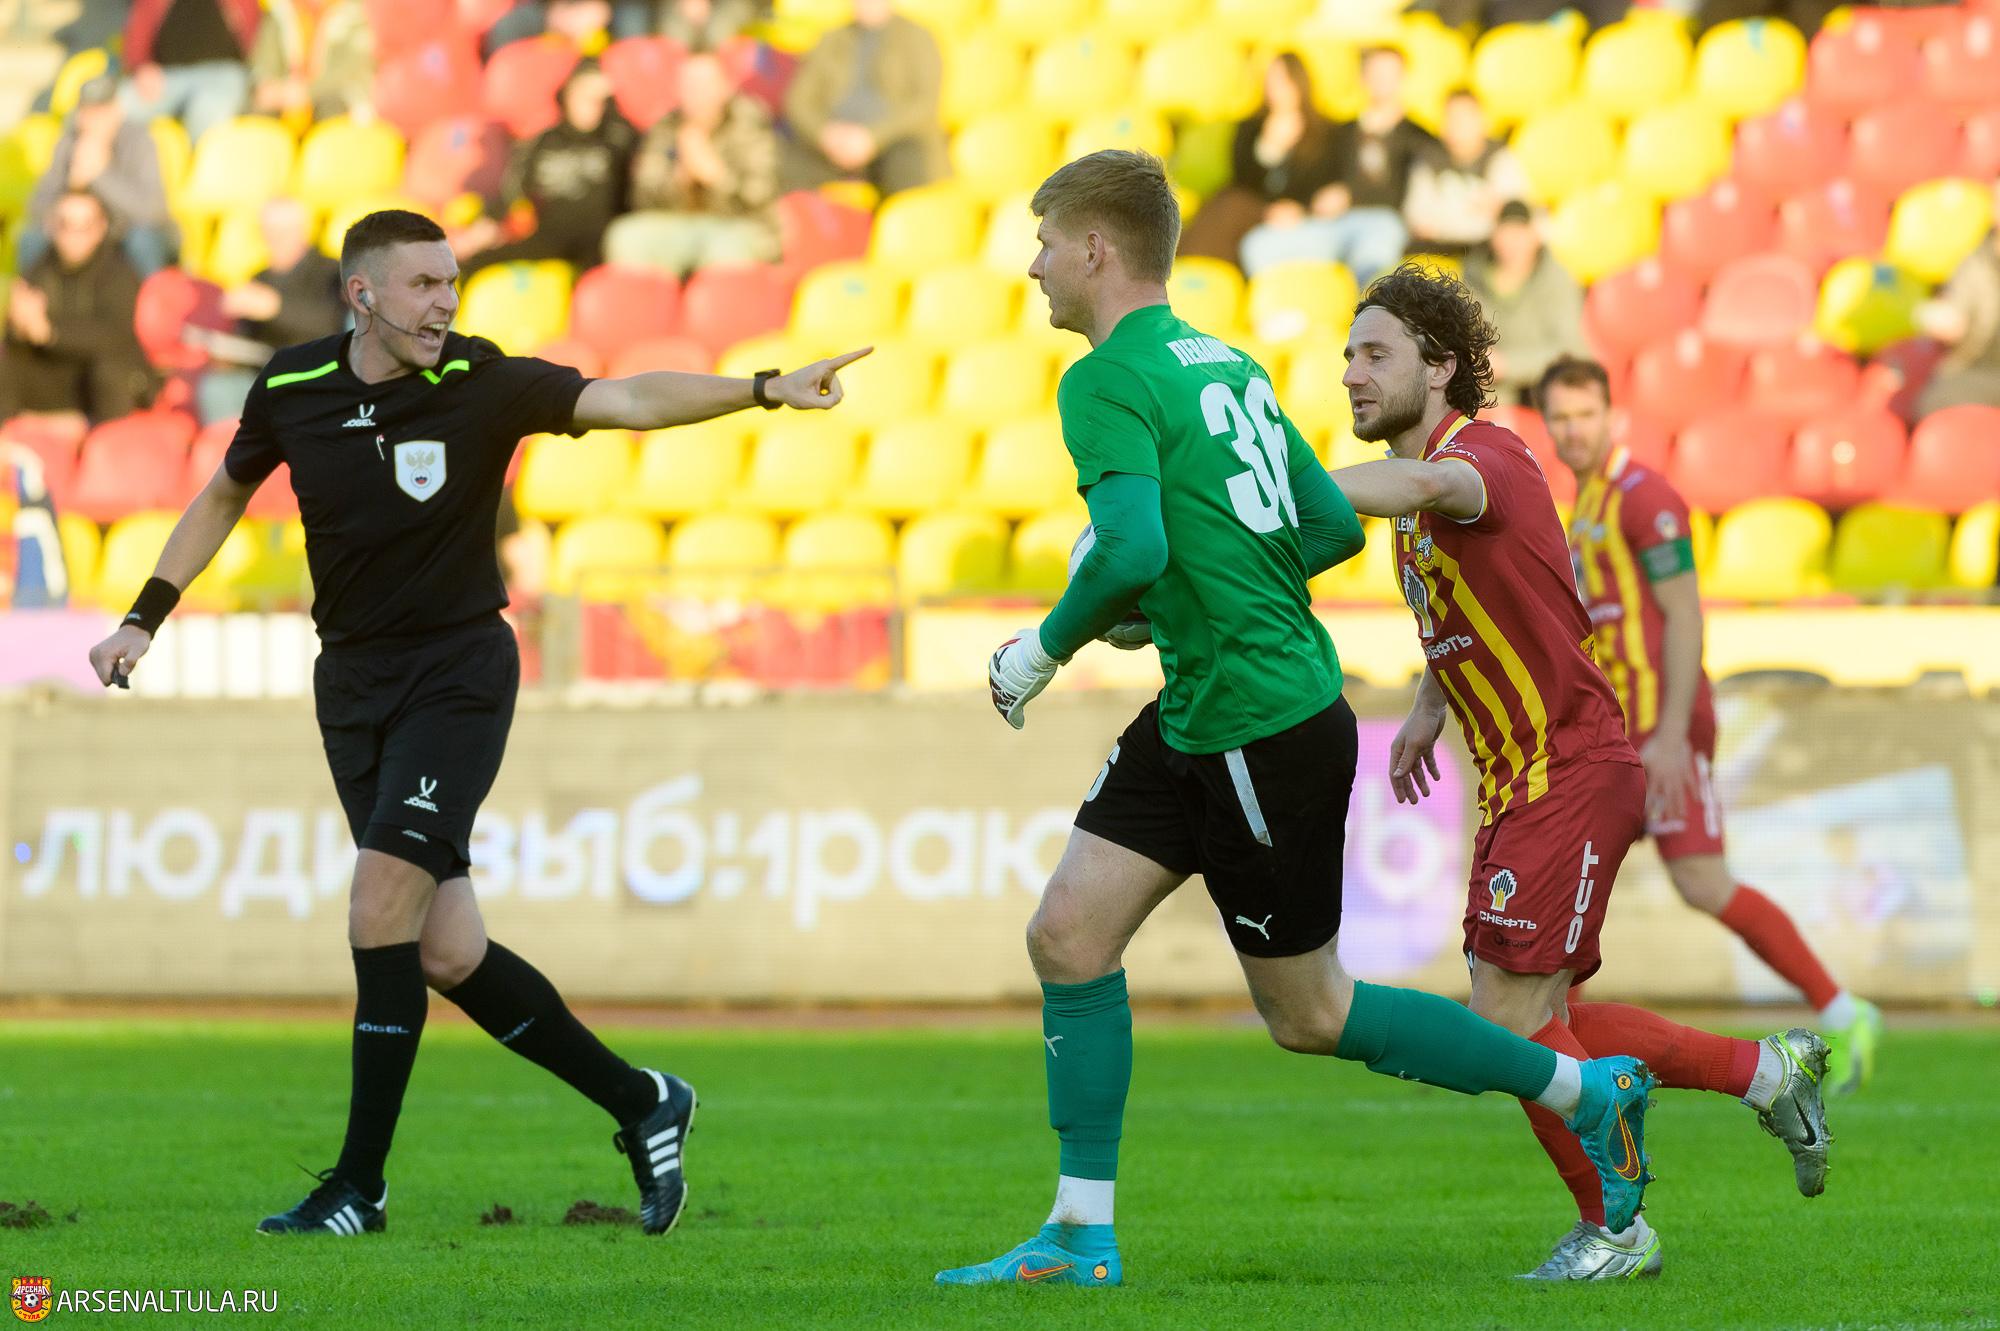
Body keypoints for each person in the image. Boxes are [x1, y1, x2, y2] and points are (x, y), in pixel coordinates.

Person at [940, 149, 1656, 1290]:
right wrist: (1189, 595)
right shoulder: (1225, 362)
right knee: (1066, 934)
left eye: (1045, 244)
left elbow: (1128, 548)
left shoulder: (1103, 380)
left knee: (1309, 1013)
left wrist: (1042, 648)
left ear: (1095, 249)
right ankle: (1078, 1232)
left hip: (1255, 720)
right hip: (1201, 702)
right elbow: (1322, 526)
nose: (1034, 268)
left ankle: (1583, 1087)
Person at [86, 208, 870, 1238]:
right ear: (362, 294)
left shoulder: (479, 378)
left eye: (451, 283)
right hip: (350, 684)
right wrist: (143, 616)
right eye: (423, 284)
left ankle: (358, 1187)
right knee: (447, 950)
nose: (444, 302)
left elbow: (628, 399)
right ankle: (644, 1100)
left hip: (455, 674)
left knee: (379, 907)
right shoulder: (292, 385)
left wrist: (763, 388)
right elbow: (223, 497)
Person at [1328, 265, 1832, 1280]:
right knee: (1542, 1017)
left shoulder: (1483, 455)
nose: (1351, 373)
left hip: (1566, 766)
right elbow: (1480, 603)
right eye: (1347, 355)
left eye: (1375, 353)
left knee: (1507, 1024)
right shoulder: (1422, 501)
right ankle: (1764, 1070)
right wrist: (1431, 703)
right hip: (1520, 781)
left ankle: (1617, 1228)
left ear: (1440, 367)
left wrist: (1267, 489)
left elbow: (1427, 488)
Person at [1542, 354, 1883, 1091]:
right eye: (1560, 418)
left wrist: (1669, 736)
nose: (1573, 431)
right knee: (1575, 875)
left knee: (1698, 879)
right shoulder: (1588, 505)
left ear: (1612, 416)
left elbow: (1685, 613)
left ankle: (1843, 1008)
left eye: (1585, 415)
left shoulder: (1644, 498)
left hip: (1659, 728)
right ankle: (1559, 1038)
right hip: (1616, 734)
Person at [1240, 46, 1433, 284]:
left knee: (1377, 250)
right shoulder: (1339, 133)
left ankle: (1371, 303)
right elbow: (1307, 179)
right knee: (1259, 245)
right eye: (1375, 73)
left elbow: (1412, 196)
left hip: (1382, 223)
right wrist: (1303, 206)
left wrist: (1351, 195)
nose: (1382, 81)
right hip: (1329, 225)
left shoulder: (1421, 139)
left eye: (1389, 74)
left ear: (1403, 78)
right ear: (1362, 77)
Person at [457, 61, 638, 278]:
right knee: (472, 264)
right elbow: (513, 193)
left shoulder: (618, 137)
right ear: (568, 95)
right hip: (552, 231)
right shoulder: (543, 142)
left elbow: (638, 182)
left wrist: (613, 107)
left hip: (600, 233)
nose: (592, 105)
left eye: (600, 99)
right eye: (584, 96)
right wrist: (485, 227)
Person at [0, 189, 155, 428]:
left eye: (84, 226)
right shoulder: (41, 267)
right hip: (60, 375)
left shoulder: (120, 271)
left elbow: (114, 336)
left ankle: (95, 434)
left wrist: (50, 332)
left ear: (101, 228)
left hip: (102, 382)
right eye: (65, 224)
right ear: (52, 226)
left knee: (109, 369)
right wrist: (20, 326)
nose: (73, 234)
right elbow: (24, 329)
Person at [1177, 54, 1347, 268]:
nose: (1275, 89)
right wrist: (1269, 147)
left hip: (1300, 213)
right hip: (1256, 206)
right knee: (1228, 205)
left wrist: (1300, 208)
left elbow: (1325, 183)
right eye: (1270, 81)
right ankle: (1193, 268)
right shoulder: (1250, 128)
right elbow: (1243, 179)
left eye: (1283, 80)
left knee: (1230, 209)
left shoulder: (1326, 133)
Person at [619, 52, 781, 275]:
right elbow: (642, 198)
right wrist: (680, 178)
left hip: (738, 225)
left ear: (725, 87)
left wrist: (715, 175)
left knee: (726, 248)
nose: (697, 94)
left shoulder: (751, 126)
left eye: (705, 85)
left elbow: (760, 197)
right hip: (681, 225)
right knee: (626, 237)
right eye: (689, 85)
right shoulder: (665, 129)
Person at [198, 197, 347, 424]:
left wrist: (275, 307)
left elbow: (335, 323)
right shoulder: (259, 278)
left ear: (304, 231)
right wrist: (223, 353)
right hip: (266, 374)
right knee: (218, 388)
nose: (275, 239)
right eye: (270, 231)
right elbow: (246, 343)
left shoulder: (333, 272)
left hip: (320, 373)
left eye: (284, 231)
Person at [780, 0, 946, 200]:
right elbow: (799, 101)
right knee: (783, 163)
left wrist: (872, 137)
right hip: (834, 141)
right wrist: (824, 134)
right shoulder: (831, 39)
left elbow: (924, 103)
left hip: (892, 141)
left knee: (907, 167)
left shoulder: (917, 37)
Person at [21, 74, 177, 277]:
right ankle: (31, 294)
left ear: (116, 110)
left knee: (142, 238)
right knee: (33, 237)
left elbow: (153, 211)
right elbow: (37, 205)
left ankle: (149, 297)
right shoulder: (68, 143)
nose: (94, 120)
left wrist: (100, 175)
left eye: (101, 111)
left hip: (125, 230)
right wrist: (72, 187)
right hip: (82, 232)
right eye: (88, 112)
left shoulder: (140, 140)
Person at [1463, 200, 1583, 404]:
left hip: (1545, 387)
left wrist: (1508, 365)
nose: (1512, 244)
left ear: (1534, 237)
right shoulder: (1473, 275)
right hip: (1492, 390)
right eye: (1506, 234)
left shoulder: (1558, 279)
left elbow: (1570, 350)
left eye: (1519, 235)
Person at [1402, 89, 1529, 259]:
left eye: (1464, 118)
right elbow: (1420, 221)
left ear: (1481, 121)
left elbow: (1514, 215)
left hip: (1489, 255)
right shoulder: (1428, 161)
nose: (1457, 126)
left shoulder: (1500, 158)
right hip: (1438, 253)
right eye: (1451, 118)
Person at [121, 0, 259, 147]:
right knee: (121, 103)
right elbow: (137, 34)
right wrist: (142, 67)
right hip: (166, 76)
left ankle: (197, 159)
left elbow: (257, 38)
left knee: (207, 113)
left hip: (222, 73)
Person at [248, 0, 377, 125]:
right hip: (286, 103)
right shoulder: (280, 12)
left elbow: (351, 71)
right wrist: (275, 89)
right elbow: (264, 69)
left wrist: (306, 92)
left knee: (330, 108)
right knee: (261, 115)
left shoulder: (354, 13)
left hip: (335, 103)